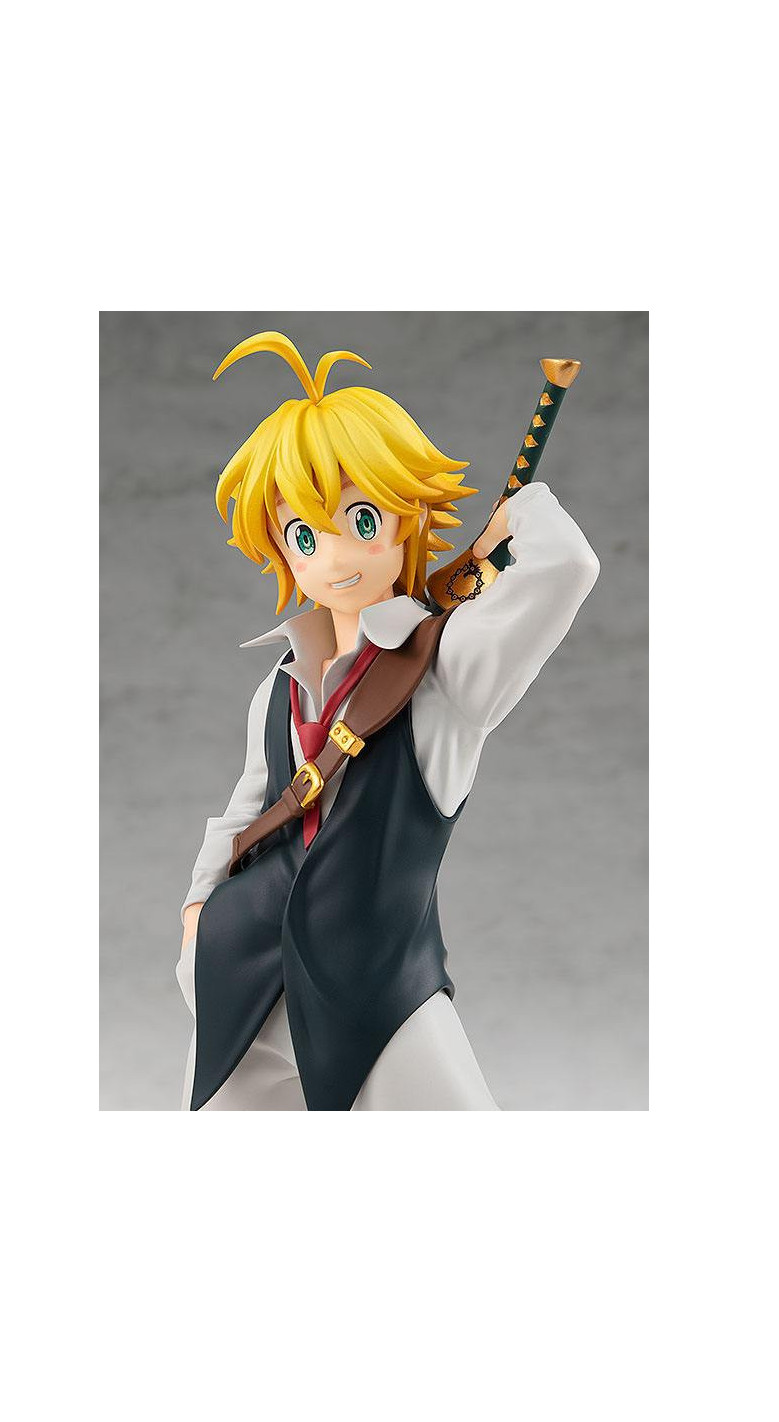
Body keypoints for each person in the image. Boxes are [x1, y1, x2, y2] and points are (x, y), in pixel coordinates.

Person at [177, 331, 599, 1110]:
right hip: (244, 973)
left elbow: (568, 567)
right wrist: (199, 911)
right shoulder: (279, 686)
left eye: (362, 520)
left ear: (407, 518)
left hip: (381, 993)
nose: (335, 556)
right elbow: (246, 808)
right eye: (305, 536)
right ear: (282, 552)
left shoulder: (446, 670)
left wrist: (520, 515)